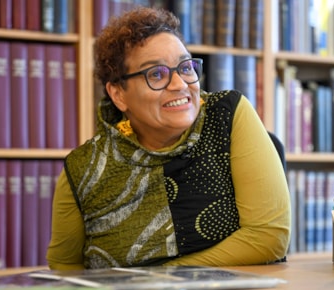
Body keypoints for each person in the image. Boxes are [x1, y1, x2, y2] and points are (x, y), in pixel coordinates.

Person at [46, 6, 291, 270]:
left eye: (185, 67)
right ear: (118, 94)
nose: (179, 85)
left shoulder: (227, 116)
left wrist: (160, 279)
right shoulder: (84, 168)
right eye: (156, 74)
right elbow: (64, 269)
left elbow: (268, 238)